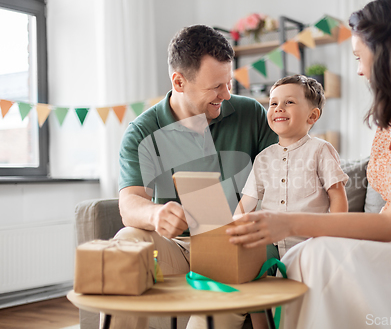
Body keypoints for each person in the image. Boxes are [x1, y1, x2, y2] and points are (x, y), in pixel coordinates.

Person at [226, 0, 391, 328]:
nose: (358, 70)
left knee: (318, 255)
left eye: (360, 57)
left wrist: (287, 223)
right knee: (304, 256)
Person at [113, 24, 278, 329]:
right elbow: (129, 203)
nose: (226, 94)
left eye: (228, 83)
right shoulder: (142, 131)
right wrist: (155, 214)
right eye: (216, 87)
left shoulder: (250, 114)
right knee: (125, 244)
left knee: (220, 299)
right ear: (179, 81)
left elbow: (284, 177)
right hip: (178, 247)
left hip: (238, 247)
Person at [235, 74, 349, 329]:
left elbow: (337, 196)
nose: (278, 108)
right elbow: (248, 201)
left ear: (312, 116)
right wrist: (230, 230)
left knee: (305, 303)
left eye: (288, 102)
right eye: (273, 103)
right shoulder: (263, 158)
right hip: (270, 242)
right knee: (249, 265)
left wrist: (334, 236)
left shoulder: (321, 150)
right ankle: (261, 325)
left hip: (309, 241)